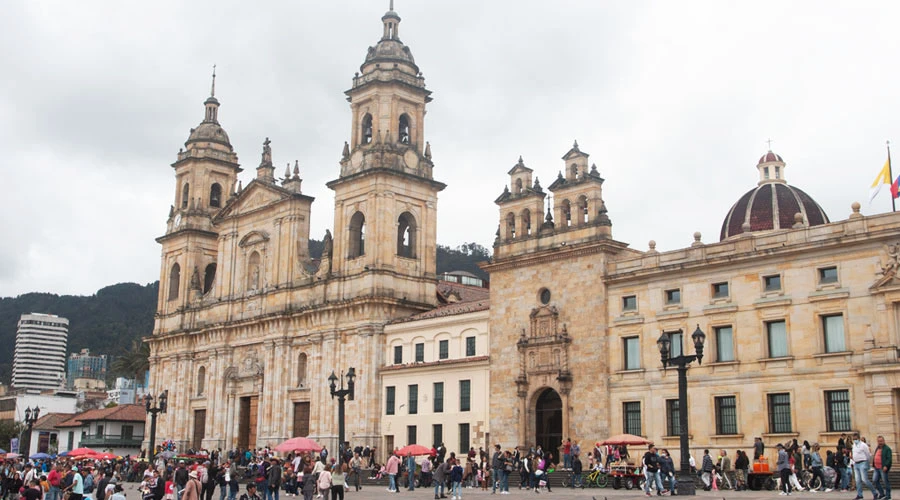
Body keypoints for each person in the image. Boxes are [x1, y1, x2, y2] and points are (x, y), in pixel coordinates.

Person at [852, 433, 875, 500]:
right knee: (857, 480)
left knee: (864, 479)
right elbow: (854, 453)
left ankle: (874, 492)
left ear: (859, 438)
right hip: (856, 463)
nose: (855, 440)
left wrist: (867, 463)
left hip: (863, 462)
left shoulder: (863, 445)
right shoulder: (854, 445)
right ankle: (860, 495)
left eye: (856, 439)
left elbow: (868, 454)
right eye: (854, 439)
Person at [873, 436, 892, 500]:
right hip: (876, 468)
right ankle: (881, 494)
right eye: (878, 441)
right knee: (875, 480)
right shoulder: (877, 448)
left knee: (885, 482)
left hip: (883, 468)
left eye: (881, 441)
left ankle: (888, 496)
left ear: (884, 441)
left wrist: (886, 466)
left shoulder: (887, 449)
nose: (880, 442)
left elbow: (889, 459)